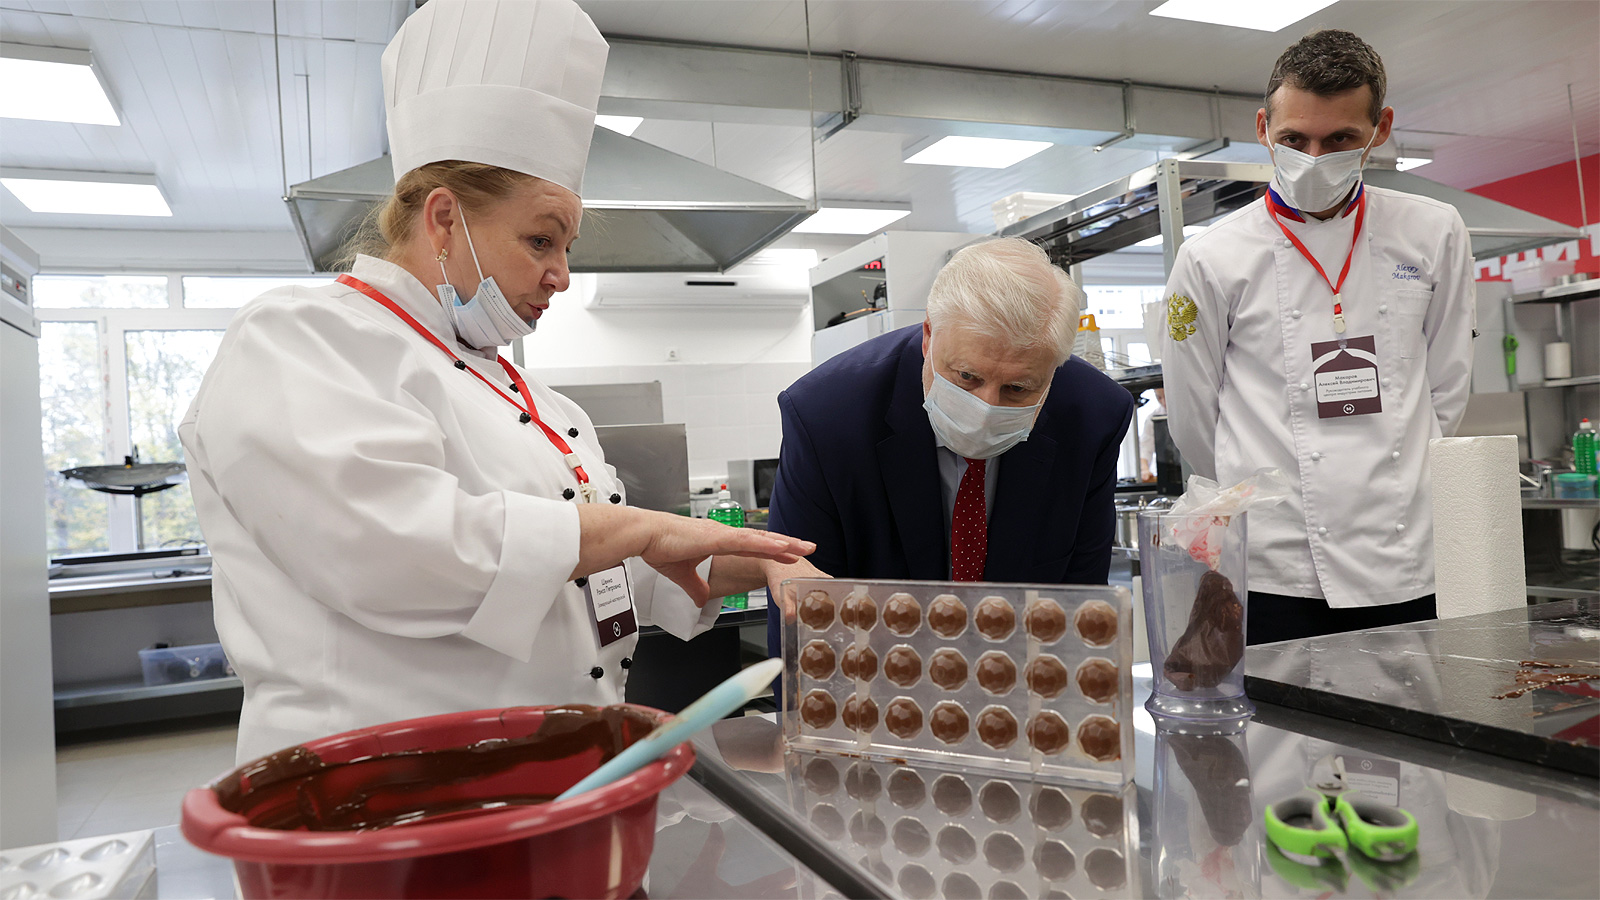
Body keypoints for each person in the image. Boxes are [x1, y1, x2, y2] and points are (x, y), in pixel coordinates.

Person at [179, 0, 812, 764]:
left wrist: (756, 561)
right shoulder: (299, 340)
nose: (562, 276)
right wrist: (642, 527)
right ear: (444, 219)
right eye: (542, 239)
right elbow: (401, 556)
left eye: (567, 248)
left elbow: (596, 576)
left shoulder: (541, 404)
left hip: (561, 777)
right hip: (385, 791)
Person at [1162, 29, 1473, 645]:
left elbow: (1448, 387)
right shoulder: (1211, 257)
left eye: (1340, 140)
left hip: (1405, 552)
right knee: (1281, 710)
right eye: (1293, 139)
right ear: (1262, 128)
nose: (1313, 157)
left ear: (1380, 129)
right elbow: (1195, 419)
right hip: (1276, 563)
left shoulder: (1434, 231)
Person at [765, 238, 1135, 655]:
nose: (986, 408)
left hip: (1024, 675)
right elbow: (803, 619)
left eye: (1018, 388)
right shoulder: (826, 415)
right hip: (871, 672)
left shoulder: (1093, 416)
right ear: (929, 337)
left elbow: (1081, 609)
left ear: (1054, 370)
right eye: (966, 377)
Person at [1138, 387, 1167, 482]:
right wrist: (1144, 470)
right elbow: (1145, 448)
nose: (1164, 402)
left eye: (1166, 396)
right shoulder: (1153, 418)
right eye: (1159, 397)